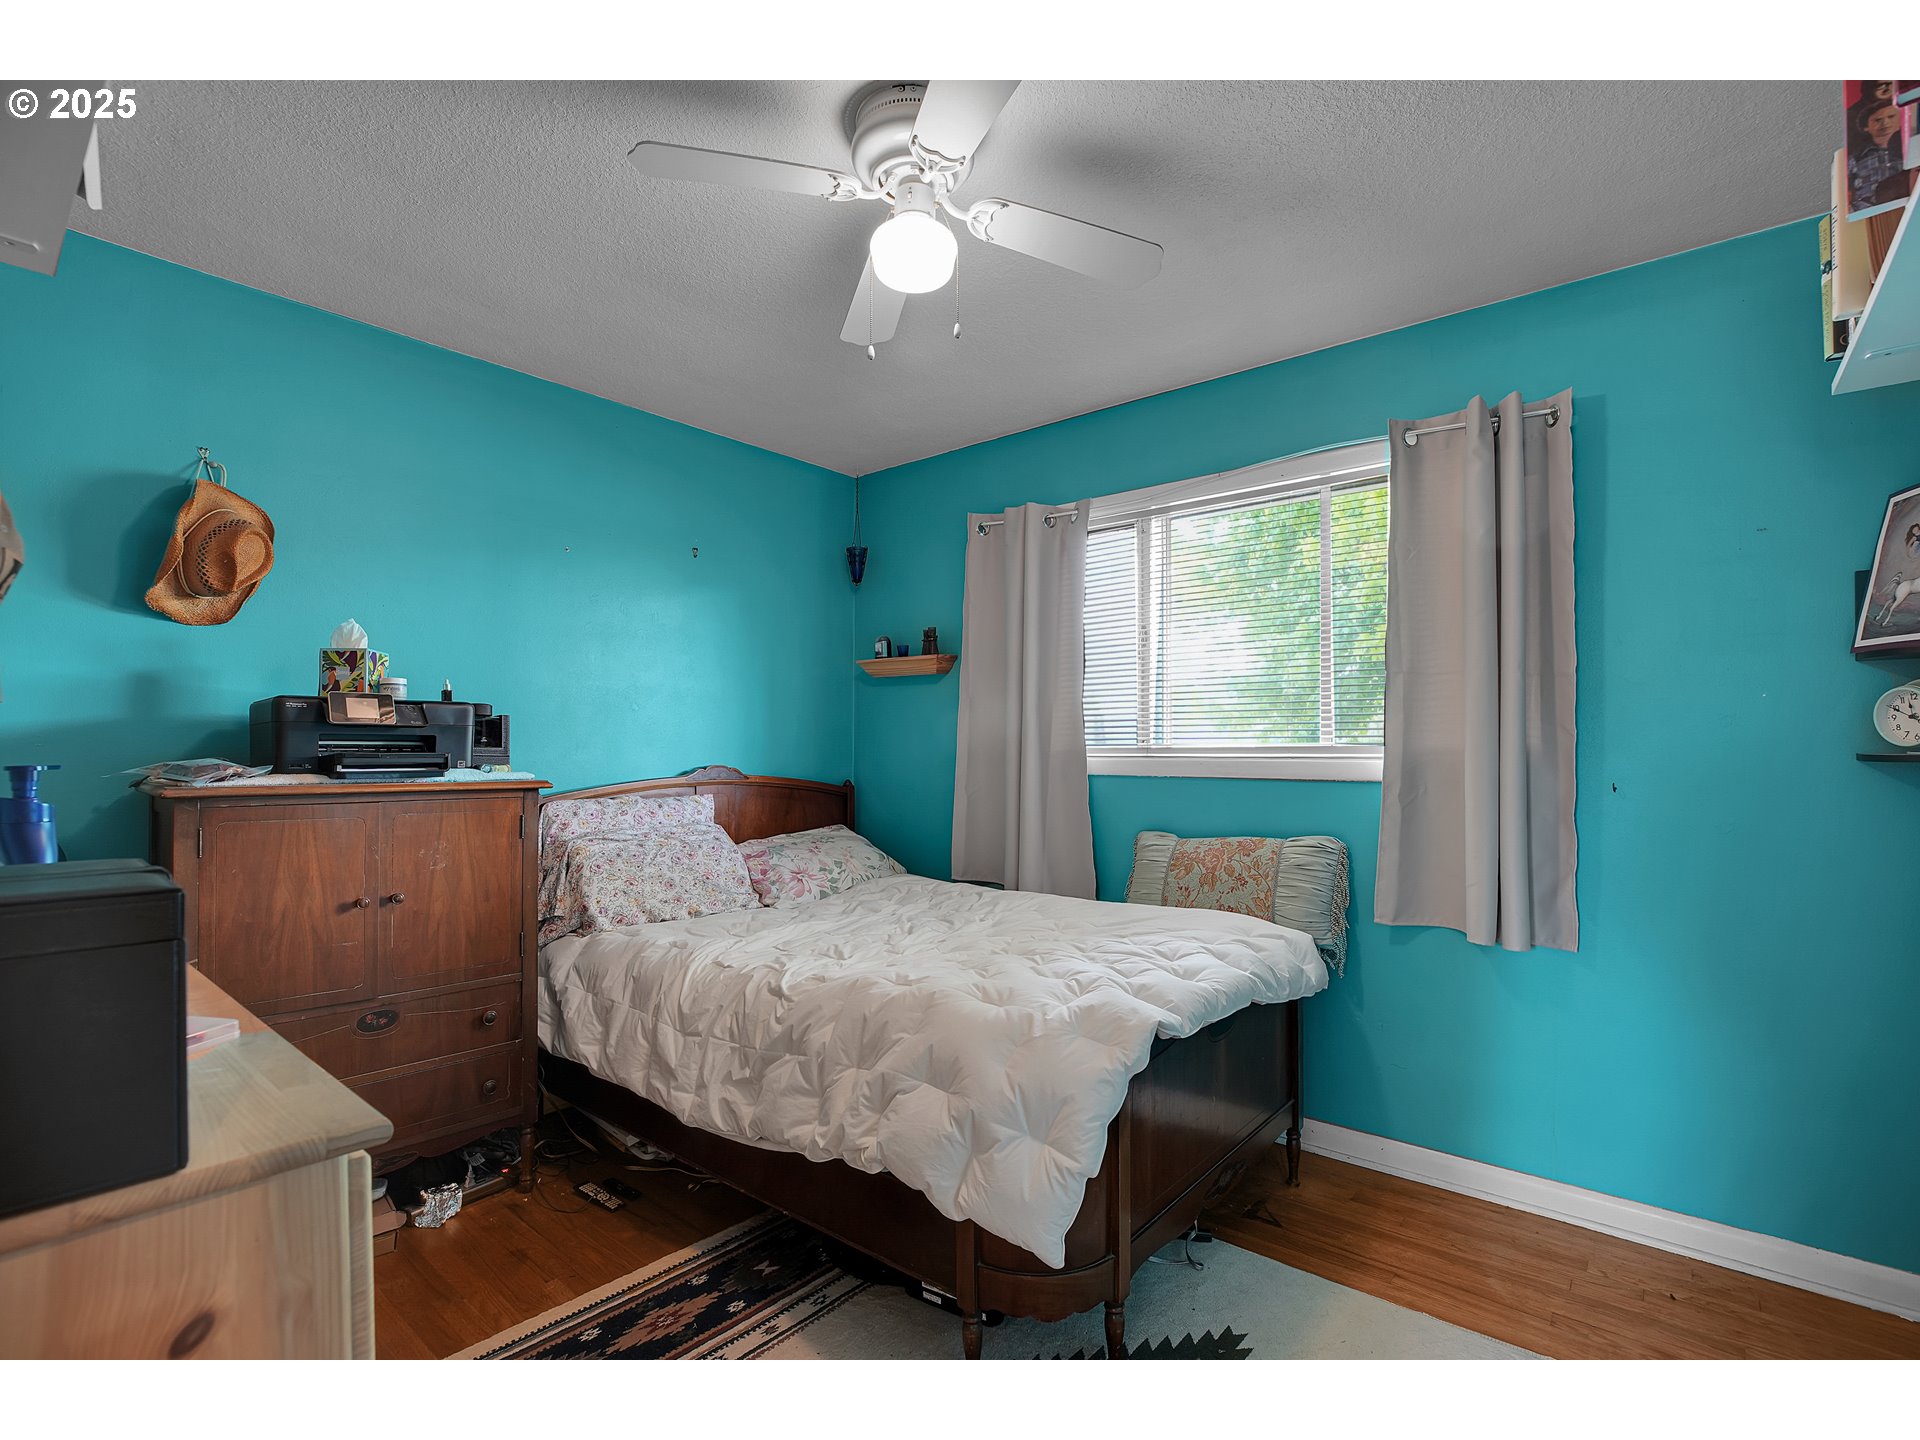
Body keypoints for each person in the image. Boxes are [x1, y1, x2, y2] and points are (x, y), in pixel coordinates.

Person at [1848, 93, 1909, 211]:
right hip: (1868, 211)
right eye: (1877, 120)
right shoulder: (1856, 158)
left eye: (1891, 117)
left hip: (1906, 205)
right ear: (1866, 126)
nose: (1885, 123)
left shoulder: (1911, 149)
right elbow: (1844, 190)